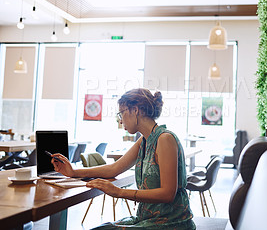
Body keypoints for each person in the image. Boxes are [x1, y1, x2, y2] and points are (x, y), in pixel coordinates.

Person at [51, 88, 196, 229]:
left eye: (121, 113)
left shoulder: (165, 139)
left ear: (135, 110)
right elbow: (114, 168)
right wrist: (74, 172)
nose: (120, 121)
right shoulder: (144, 140)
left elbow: (168, 194)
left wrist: (119, 192)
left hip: (170, 223)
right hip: (148, 219)